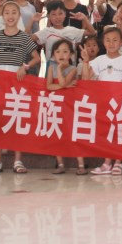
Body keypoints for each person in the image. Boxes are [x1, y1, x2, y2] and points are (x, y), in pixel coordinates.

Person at [0, 1, 40, 174]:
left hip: (17, 81)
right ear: (2, 16)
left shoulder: (24, 37)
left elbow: (36, 58)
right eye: (7, 12)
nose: (10, 16)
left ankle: (18, 161)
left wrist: (25, 66)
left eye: (14, 12)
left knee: (16, 119)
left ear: (19, 16)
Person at [83, 26, 122, 175]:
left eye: (115, 40)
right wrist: (86, 62)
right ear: (103, 42)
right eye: (108, 40)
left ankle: (118, 162)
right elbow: (85, 79)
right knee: (106, 132)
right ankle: (107, 163)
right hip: (104, 103)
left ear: (121, 42)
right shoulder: (99, 60)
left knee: (119, 132)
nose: (111, 43)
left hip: (120, 104)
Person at [45, 39, 87, 175]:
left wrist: (60, 76)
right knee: (57, 133)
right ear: (53, 55)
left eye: (65, 51)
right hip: (55, 104)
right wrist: (64, 85)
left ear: (71, 54)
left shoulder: (73, 69)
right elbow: (49, 86)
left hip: (69, 105)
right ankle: (60, 163)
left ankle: (81, 164)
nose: (61, 54)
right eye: (58, 52)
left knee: (73, 133)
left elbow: (62, 83)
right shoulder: (51, 68)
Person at [33, 0, 93, 78]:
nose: (57, 17)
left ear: (65, 14)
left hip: (70, 67)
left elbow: (92, 32)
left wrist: (84, 18)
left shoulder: (71, 30)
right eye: (53, 14)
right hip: (52, 69)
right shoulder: (46, 32)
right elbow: (25, 38)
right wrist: (32, 21)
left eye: (60, 13)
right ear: (48, 16)